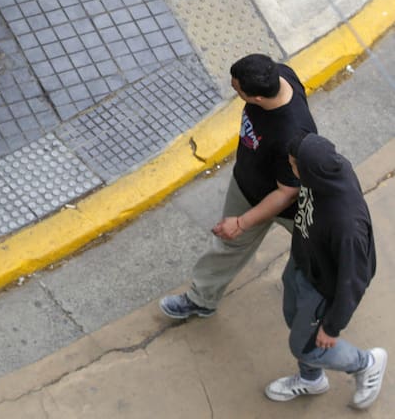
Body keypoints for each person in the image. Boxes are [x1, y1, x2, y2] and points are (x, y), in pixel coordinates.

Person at [160, 54, 317, 319]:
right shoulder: (278, 74)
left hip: (294, 207)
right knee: (227, 245)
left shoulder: (291, 134)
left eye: (237, 90)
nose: (234, 91)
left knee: (319, 253)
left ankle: (328, 296)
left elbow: (288, 193)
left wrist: (242, 222)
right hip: (247, 184)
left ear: (257, 99)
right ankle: (201, 299)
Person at [264, 133, 385, 409]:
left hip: (322, 288)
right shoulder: (325, 171)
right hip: (304, 264)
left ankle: (366, 363)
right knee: (293, 317)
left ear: (307, 170)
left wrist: (331, 326)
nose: (291, 168)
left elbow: (355, 280)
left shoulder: (347, 227)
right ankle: (312, 378)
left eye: (294, 165)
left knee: (306, 345)